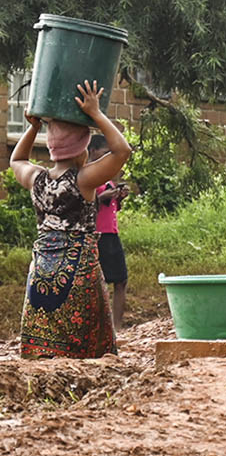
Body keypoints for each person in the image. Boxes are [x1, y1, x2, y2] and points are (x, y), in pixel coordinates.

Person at [11, 80, 131, 358]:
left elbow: (16, 160)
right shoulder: (84, 180)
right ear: (81, 148)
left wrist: (33, 128)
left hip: (41, 270)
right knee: (89, 351)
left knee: (44, 349)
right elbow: (122, 151)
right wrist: (96, 113)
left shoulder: (35, 178)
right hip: (77, 272)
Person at [89, 134, 130, 330]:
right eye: (105, 153)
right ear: (92, 151)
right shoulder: (86, 176)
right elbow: (81, 207)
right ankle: (99, 326)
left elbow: (111, 209)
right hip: (97, 236)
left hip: (112, 235)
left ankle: (117, 326)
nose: (108, 158)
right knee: (98, 283)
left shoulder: (107, 178)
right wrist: (100, 198)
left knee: (121, 279)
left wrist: (118, 197)